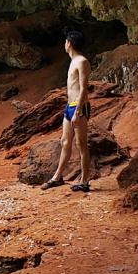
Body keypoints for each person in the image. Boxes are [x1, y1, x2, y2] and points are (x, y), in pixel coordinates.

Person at [42, 31, 92, 192]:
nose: (64, 44)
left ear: (69, 43)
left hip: (79, 107)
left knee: (81, 145)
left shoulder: (82, 62)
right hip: (69, 106)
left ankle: (85, 182)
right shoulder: (73, 61)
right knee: (65, 141)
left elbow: (84, 88)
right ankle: (57, 177)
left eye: (65, 41)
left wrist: (77, 111)